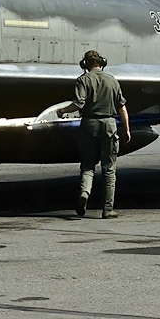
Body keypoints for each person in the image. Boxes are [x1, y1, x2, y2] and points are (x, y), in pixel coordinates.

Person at [60, 50, 131, 219]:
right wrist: (127, 129)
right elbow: (122, 107)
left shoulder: (83, 80)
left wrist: (62, 110)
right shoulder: (113, 81)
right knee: (109, 169)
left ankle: (84, 193)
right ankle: (108, 209)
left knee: (87, 165)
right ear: (102, 63)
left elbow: (79, 103)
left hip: (89, 125)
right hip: (109, 125)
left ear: (85, 64)